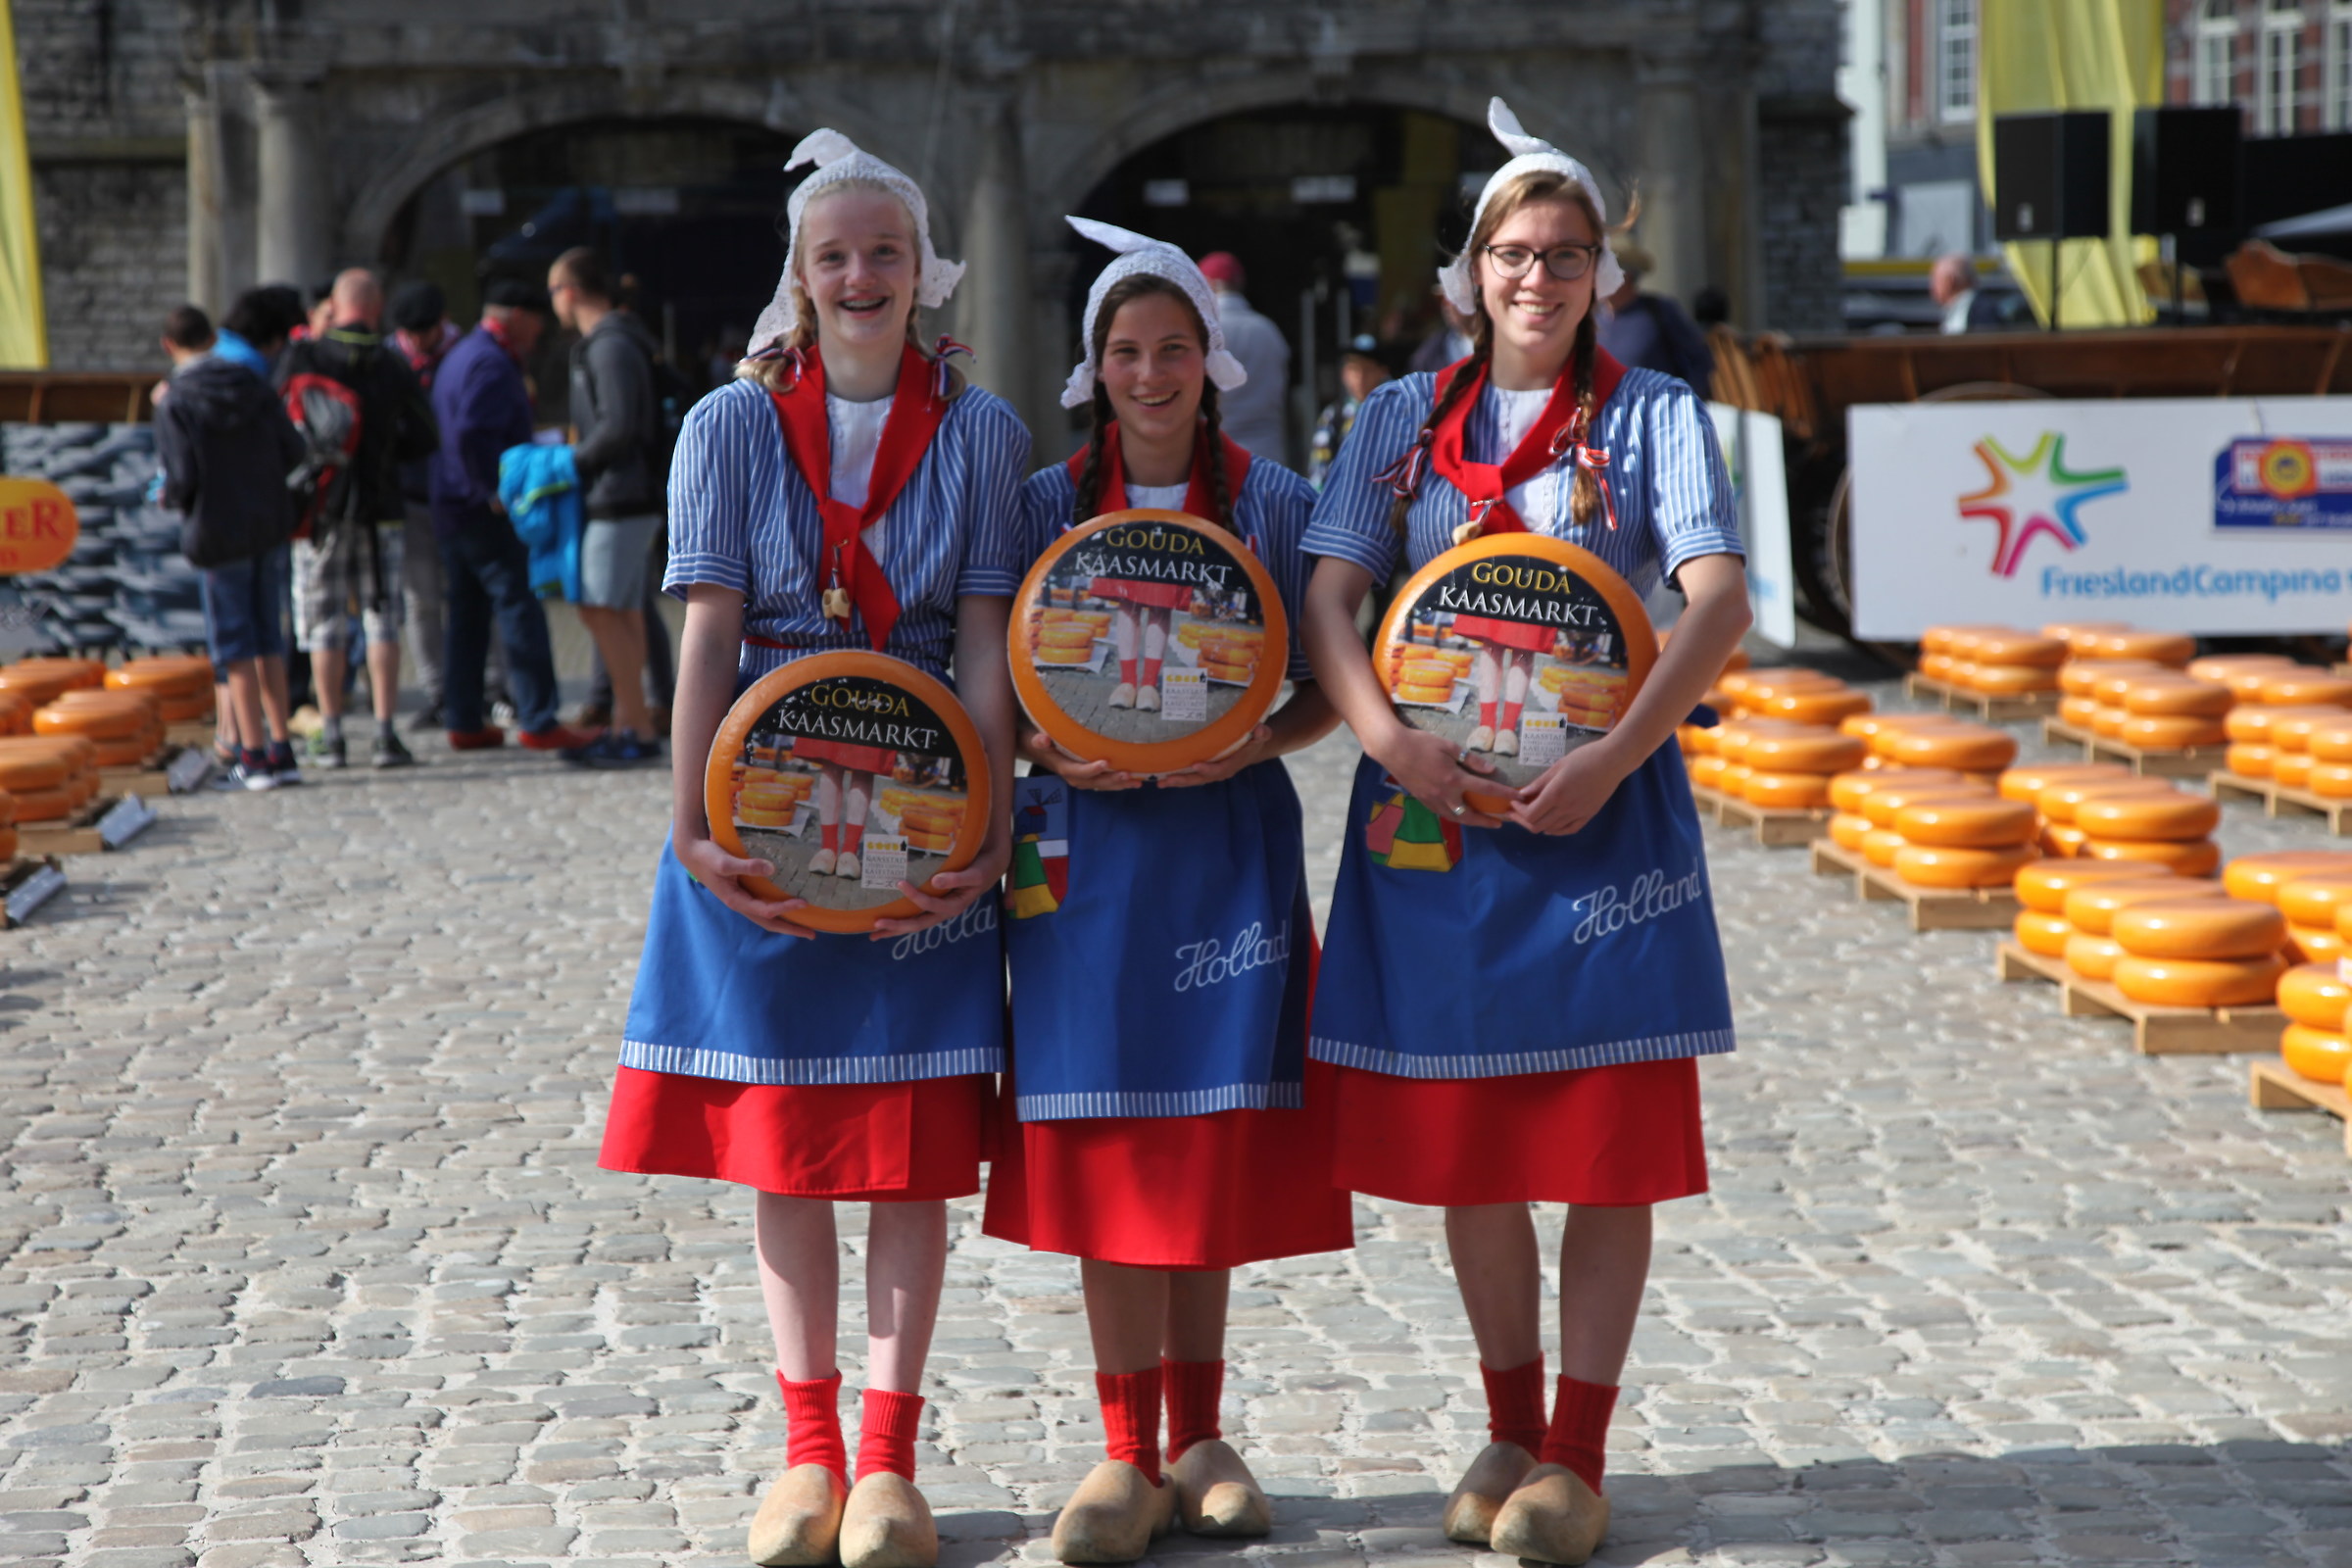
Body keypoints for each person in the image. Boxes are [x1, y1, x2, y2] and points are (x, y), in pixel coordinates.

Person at [1297, 98, 1750, 1568]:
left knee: (1603, 1145)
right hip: (1433, 812)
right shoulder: (1393, 419)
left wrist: (1620, 756)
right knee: (1471, 1140)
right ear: (1470, 272)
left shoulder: (1657, 416)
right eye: (1512, 251)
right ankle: (1506, 1420)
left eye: (1565, 254)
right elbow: (1329, 601)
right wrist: (1383, 738)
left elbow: (1719, 600)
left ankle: (1582, 1448)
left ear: (1601, 274)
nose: (1537, 277)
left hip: (1601, 818)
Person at [593, 127, 1027, 1568]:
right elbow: (704, 632)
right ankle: (807, 1453)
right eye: (833, 256)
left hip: (916, 806)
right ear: (800, 275)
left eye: (883, 253)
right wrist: (692, 829)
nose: (860, 276)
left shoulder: (984, 433)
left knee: (906, 1151)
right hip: (764, 801)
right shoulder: (726, 425)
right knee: (786, 1144)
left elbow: (979, 640)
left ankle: (892, 1461)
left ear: (922, 273)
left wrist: (986, 810)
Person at [982, 219, 1351, 1565]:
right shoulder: (1036, 506)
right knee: (1106, 1127)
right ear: (1094, 366)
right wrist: (1040, 745)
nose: (1151, 374)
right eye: (1127, 352)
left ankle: (1201, 1435)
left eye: (1173, 350)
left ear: (1213, 362)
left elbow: (1330, 682)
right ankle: (1123, 1444)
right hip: (1082, 845)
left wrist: (1261, 742)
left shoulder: (1278, 502)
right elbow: (997, 676)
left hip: (1225, 842)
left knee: (1207, 1127)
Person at [276, 269, 439, 770]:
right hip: (381, 509)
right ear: (377, 306)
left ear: (335, 305)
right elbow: (426, 435)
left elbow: (278, 422)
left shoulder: (306, 356)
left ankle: (332, 733)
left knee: (324, 624)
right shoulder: (391, 362)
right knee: (381, 618)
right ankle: (386, 732)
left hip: (321, 511)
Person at [426, 280, 598, 755]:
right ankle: (539, 718)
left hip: (451, 506)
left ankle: (464, 719)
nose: (539, 332)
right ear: (518, 315)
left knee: (467, 615)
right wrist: (490, 491)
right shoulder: (489, 361)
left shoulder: (463, 352)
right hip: (480, 509)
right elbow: (469, 433)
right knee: (519, 607)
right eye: (536, 321)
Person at [153, 304, 304, 792]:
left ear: (168, 345)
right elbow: (294, 449)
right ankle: (282, 749)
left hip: (218, 531)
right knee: (269, 638)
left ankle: (253, 757)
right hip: (266, 523)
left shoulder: (175, 399)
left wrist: (168, 497)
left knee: (234, 647)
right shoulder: (253, 383)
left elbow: (182, 478)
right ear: (213, 339)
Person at [547, 246, 665, 767]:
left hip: (619, 495)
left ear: (569, 293)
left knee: (598, 609)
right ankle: (629, 721)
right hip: (627, 493)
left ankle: (635, 728)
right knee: (621, 610)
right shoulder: (617, 339)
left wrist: (572, 461)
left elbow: (619, 425)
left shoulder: (609, 345)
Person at [392, 280, 463, 730]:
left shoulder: (463, 354)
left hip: (456, 497)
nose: (417, 342)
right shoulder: (390, 358)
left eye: (425, 332)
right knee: (420, 602)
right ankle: (437, 691)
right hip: (411, 497)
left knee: (467, 596)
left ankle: (489, 687)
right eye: (410, 334)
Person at [1194, 253, 1289, 462]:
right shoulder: (1269, 330)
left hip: (1218, 452)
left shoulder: (1206, 332)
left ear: (1208, 284)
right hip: (1269, 451)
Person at [1594, 242, 1713, 399]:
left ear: (1626, 277)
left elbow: (1700, 360)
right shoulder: (1590, 319)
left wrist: (1684, 405)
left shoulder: (1659, 312)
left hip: (1655, 416)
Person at [1308, 332, 1392, 486]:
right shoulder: (1334, 415)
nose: (1360, 378)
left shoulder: (1397, 412)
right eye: (1354, 369)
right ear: (1344, 374)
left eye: (1368, 369)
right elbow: (1319, 471)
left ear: (1382, 372)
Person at [1932, 253, 2003, 334]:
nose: (1933, 288)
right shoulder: (1953, 309)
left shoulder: (1983, 310)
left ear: (1950, 281)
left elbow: (1988, 344)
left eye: (1936, 281)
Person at [1408, 290, 1477, 374]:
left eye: (1452, 297)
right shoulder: (1430, 353)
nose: (1445, 305)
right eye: (1441, 298)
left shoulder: (1494, 343)